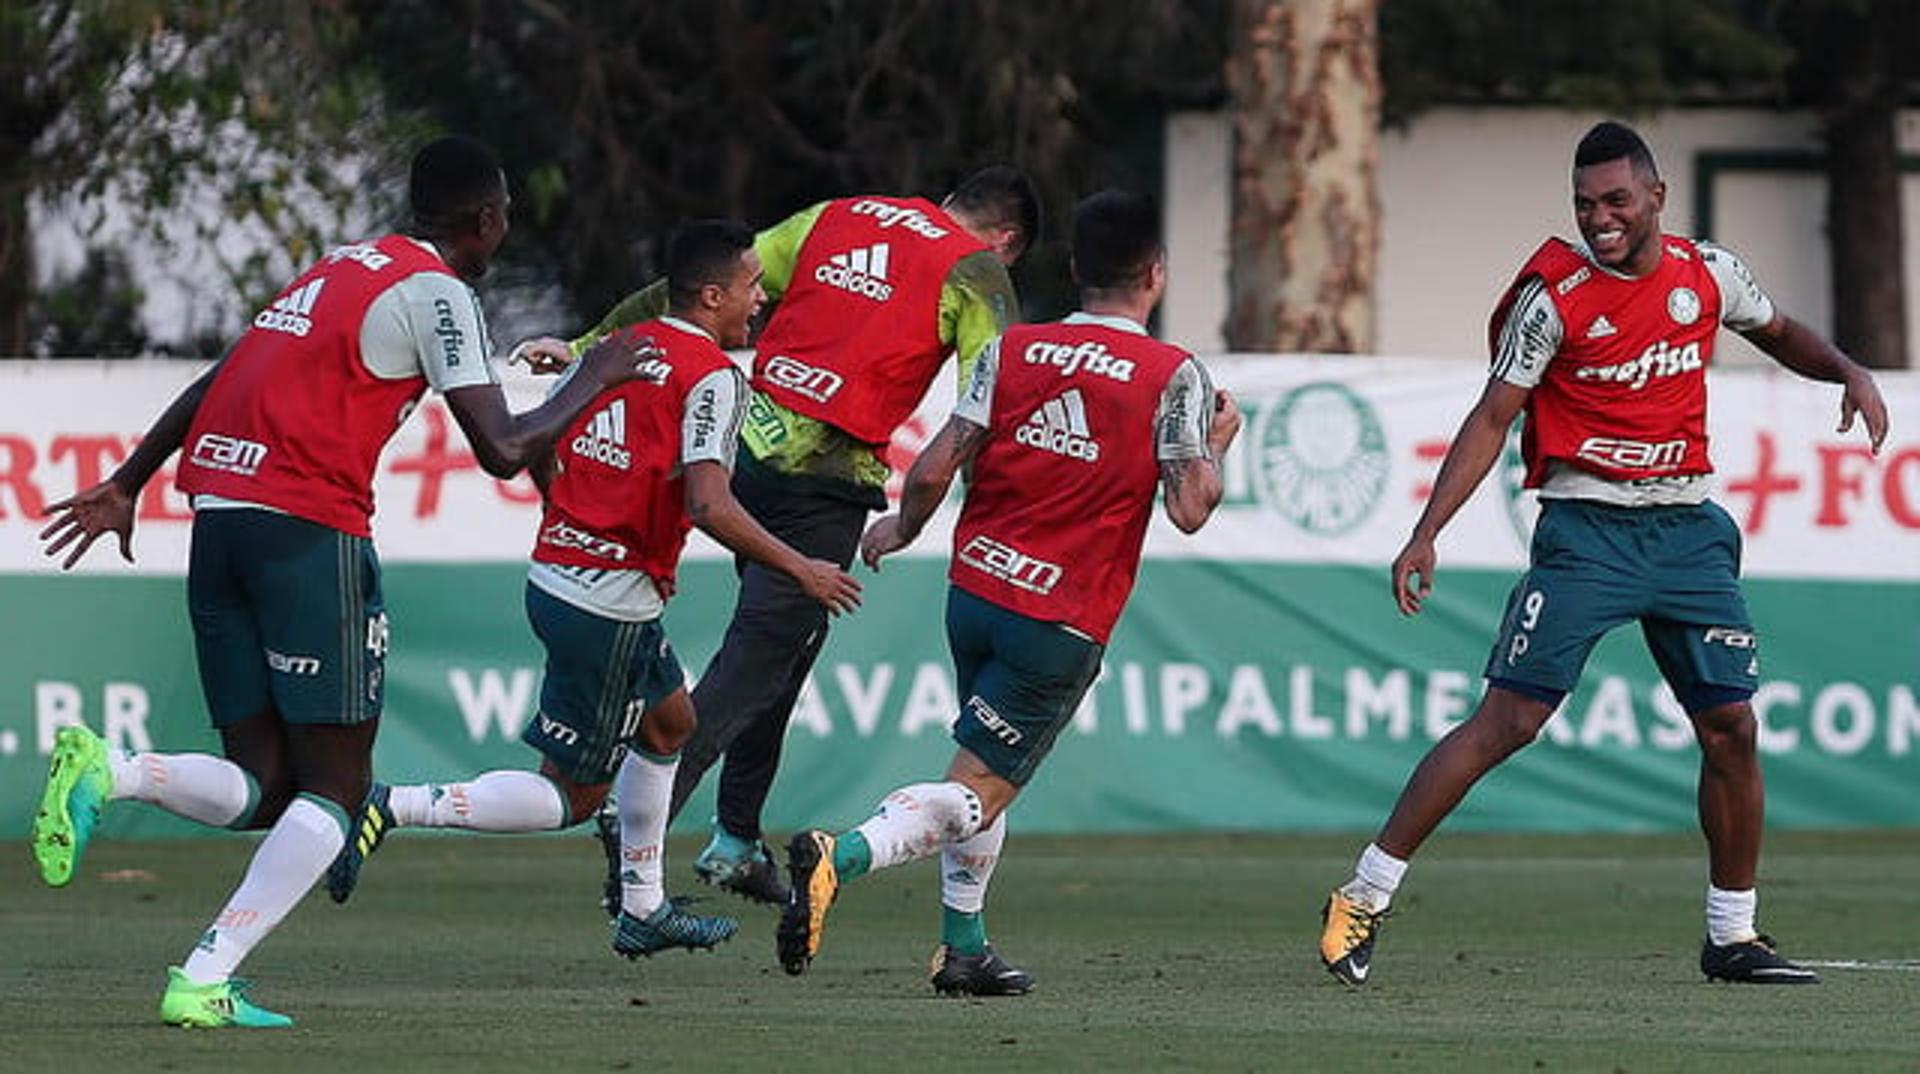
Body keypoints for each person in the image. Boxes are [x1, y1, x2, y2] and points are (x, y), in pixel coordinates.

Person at [30, 135, 665, 1028]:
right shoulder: (438, 291)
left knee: (265, 784)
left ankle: (115, 770)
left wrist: (131, 480)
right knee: (338, 787)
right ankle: (205, 973)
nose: (505, 231)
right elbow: (504, 448)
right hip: (306, 533)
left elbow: (225, 375)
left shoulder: (338, 270)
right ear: (484, 219)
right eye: (505, 215)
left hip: (219, 524)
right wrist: (598, 374)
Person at [1317, 121, 1890, 989]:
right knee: (1510, 721)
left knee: (1732, 727)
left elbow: (1777, 331)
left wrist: (1847, 368)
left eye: (1617, 201)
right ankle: (1363, 892)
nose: (1600, 219)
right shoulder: (1553, 299)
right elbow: (1490, 416)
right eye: (1585, 205)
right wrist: (1427, 531)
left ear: (1656, 196)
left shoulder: (1709, 273)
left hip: (1689, 530)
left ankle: (1731, 935)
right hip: (1588, 532)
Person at [321, 220, 863, 960]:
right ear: (711, 296)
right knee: (571, 798)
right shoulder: (712, 378)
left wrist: (574, 513)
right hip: (605, 600)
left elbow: (537, 441)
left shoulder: (618, 351)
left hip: (570, 578)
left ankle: (644, 908)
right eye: (751, 286)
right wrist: (802, 568)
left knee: (671, 726)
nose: (760, 300)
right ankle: (390, 804)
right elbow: (709, 503)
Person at [524, 166, 1042, 908]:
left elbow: (688, 291)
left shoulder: (842, 214)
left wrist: (584, 344)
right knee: (759, 657)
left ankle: (735, 838)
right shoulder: (977, 270)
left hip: (749, 455)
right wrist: (934, 514)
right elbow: (985, 401)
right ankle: (639, 818)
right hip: (824, 483)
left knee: (784, 655)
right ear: (1007, 240)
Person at [773, 189, 1242, 995]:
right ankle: (841, 856)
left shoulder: (1014, 350)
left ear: (1074, 270)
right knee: (978, 790)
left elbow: (932, 465)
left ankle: (964, 949)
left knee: (976, 771)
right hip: (1058, 618)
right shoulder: (1174, 374)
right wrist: (1217, 445)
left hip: (976, 596)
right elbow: (1191, 508)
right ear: (1155, 276)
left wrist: (901, 530)